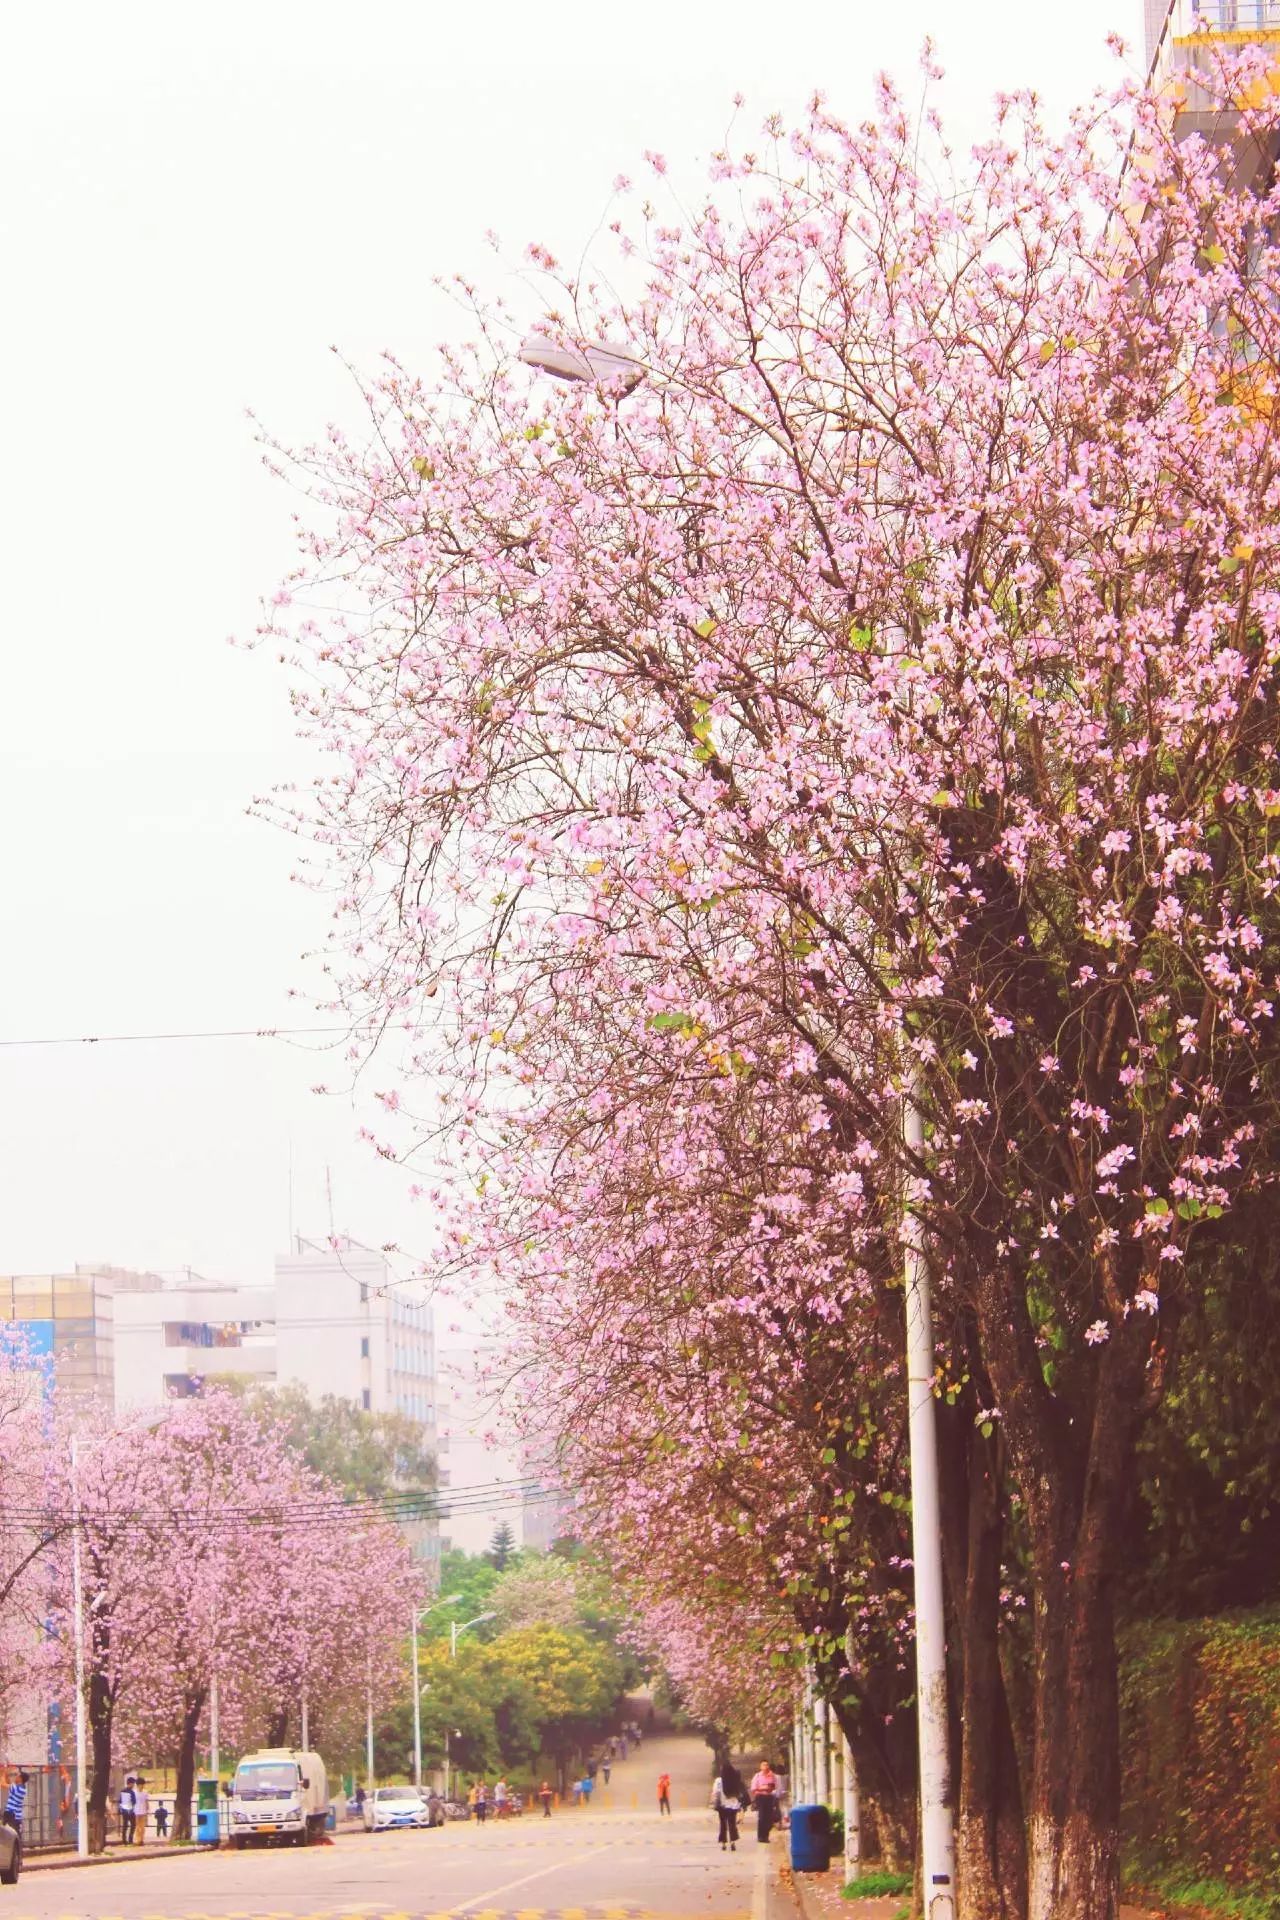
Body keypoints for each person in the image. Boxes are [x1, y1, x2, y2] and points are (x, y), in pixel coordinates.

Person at [712, 1762, 746, 1852]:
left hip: (722, 1806)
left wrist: (714, 1802)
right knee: (732, 1824)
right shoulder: (734, 1780)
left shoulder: (718, 1781)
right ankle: (732, 1842)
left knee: (723, 1824)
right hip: (733, 1806)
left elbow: (715, 1792)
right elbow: (739, 1792)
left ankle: (723, 1843)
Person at [749, 1762, 779, 1843]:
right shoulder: (757, 1776)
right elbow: (754, 1788)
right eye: (763, 1765)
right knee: (762, 1817)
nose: (766, 1766)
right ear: (760, 1767)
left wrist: (768, 1788)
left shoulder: (772, 1776)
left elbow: (774, 1787)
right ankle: (761, 1836)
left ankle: (766, 1835)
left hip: (769, 1797)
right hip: (760, 1797)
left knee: (769, 1818)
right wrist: (763, 1788)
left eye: (767, 1765)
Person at [3, 1772, 28, 1836]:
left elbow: (3, 1784)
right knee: (16, 1835)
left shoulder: (16, 1788)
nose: (15, 1777)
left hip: (11, 1814)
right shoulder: (23, 1788)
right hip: (17, 1816)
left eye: (17, 1776)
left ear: (20, 1779)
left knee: (7, 1834)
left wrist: (2, 1773)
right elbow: (8, 1782)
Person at [118, 1776, 136, 1845]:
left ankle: (124, 1840)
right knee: (133, 1825)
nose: (134, 1785)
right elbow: (134, 1802)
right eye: (133, 1783)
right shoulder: (132, 1792)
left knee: (125, 1825)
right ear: (130, 1784)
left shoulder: (122, 1791)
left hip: (124, 1811)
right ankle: (130, 1839)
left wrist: (121, 1809)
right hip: (130, 1811)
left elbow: (120, 1801)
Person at [132, 1776, 150, 1844]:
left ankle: (142, 1839)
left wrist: (148, 1810)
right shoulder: (134, 1792)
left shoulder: (145, 1792)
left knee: (142, 1827)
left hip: (143, 1811)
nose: (142, 1786)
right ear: (137, 1785)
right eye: (140, 1784)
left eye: (143, 1784)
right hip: (136, 1811)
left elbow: (146, 1801)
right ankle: (138, 1839)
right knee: (137, 1826)